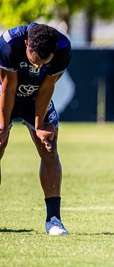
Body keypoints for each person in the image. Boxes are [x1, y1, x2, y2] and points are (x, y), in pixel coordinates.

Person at [0, 23, 72, 235]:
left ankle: (53, 219)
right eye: (35, 61)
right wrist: (3, 127)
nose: (39, 67)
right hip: (5, 92)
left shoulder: (63, 48)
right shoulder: (9, 44)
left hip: (36, 95)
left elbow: (47, 87)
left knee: (49, 148)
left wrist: (40, 127)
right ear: (26, 45)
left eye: (44, 62)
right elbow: (8, 86)